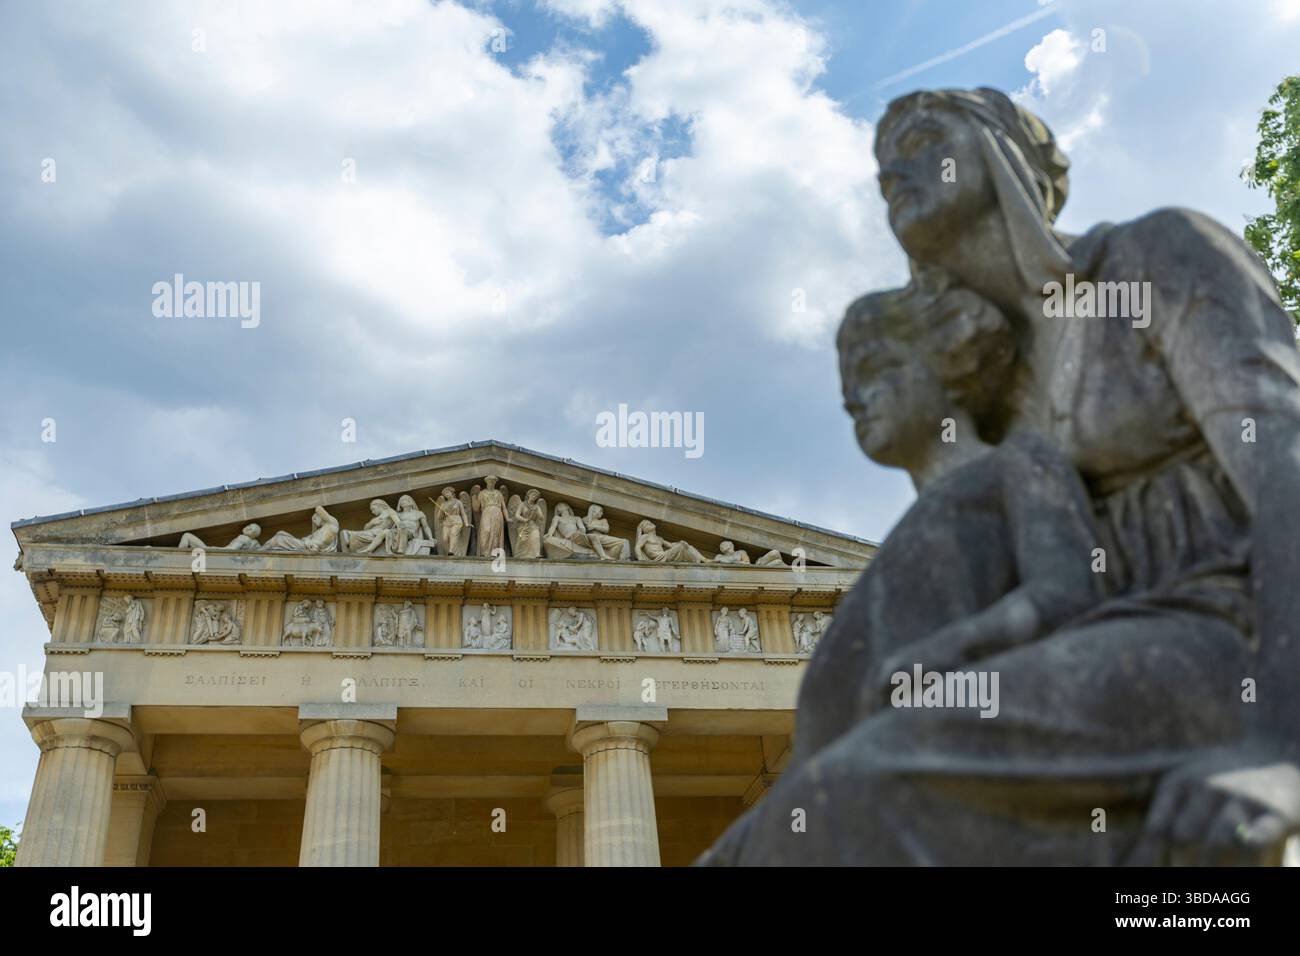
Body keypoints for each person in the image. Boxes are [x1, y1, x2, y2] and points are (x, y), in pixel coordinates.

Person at [701, 277, 1109, 865]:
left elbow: (1069, 590)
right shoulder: (896, 547)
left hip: (909, 755)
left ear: (948, 361)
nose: (854, 398)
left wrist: (943, 654)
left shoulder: (1019, 464)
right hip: (836, 774)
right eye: (846, 387)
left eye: (874, 369)